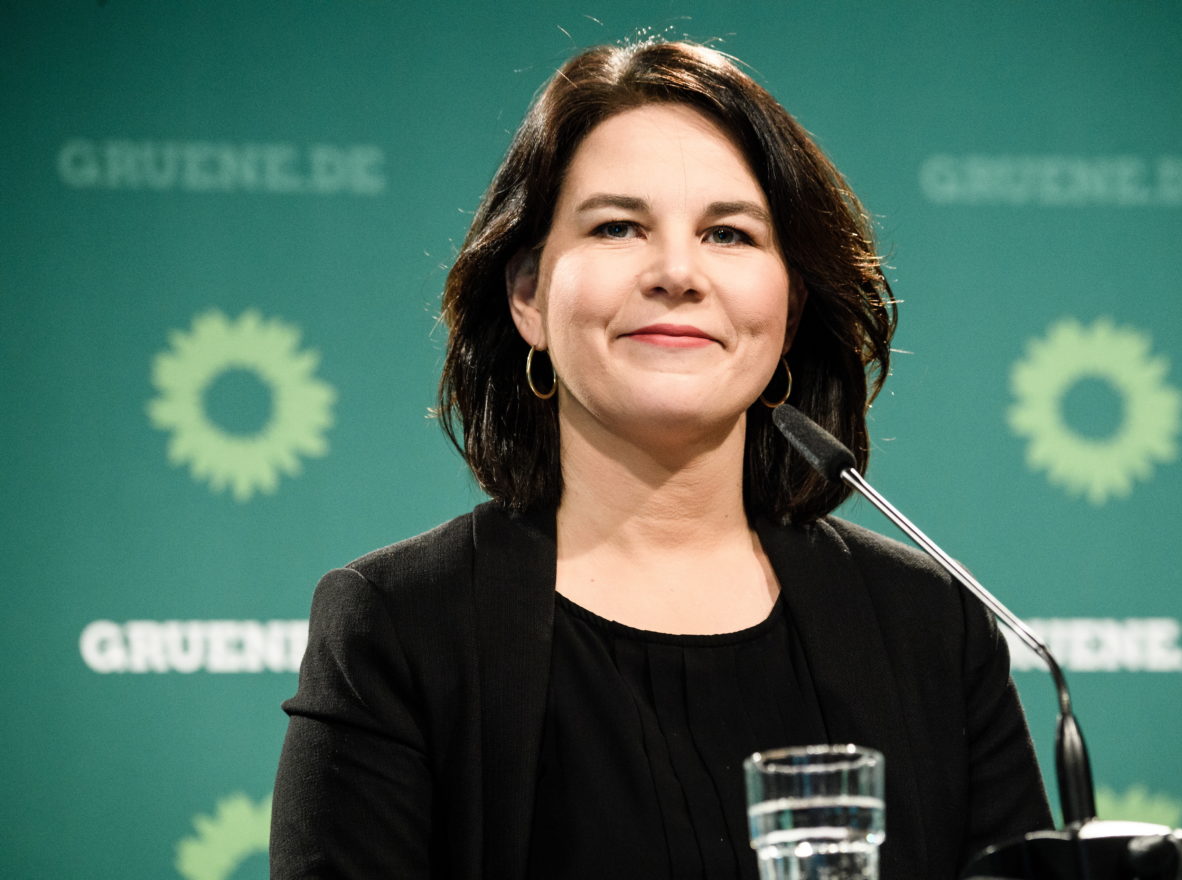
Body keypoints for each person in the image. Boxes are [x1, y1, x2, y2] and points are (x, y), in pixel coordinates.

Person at [271, 40, 1051, 880]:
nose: (678, 273)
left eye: (728, 233)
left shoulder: (932, 626)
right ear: (528, 294)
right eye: (618, 227)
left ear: (789, 309)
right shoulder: (399, 627)